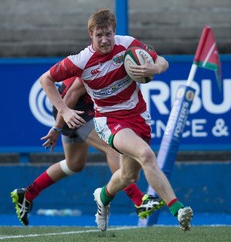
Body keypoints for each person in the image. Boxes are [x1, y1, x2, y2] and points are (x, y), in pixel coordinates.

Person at [38, 8, 193, 232]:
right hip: (108, 121)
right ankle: (177, 209)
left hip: (138, 116)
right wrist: (63, 111)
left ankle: (102, 196)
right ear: (90, 35)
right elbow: (46, 80)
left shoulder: (128, 45)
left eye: (108, 34)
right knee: (146, 155)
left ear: (114, 32)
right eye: (99, 35)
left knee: (129, 175)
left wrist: (154, 67)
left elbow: (163, 61)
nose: (104, 40)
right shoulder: (81, 61)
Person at [10, 76, 164, 226]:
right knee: (111, 148)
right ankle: (138, 200)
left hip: (85, 107)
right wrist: (57, 127)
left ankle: (27, 194)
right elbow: (71, 94)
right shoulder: (98, 65)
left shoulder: (117, 63)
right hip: (72, 108)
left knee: (74, 164)